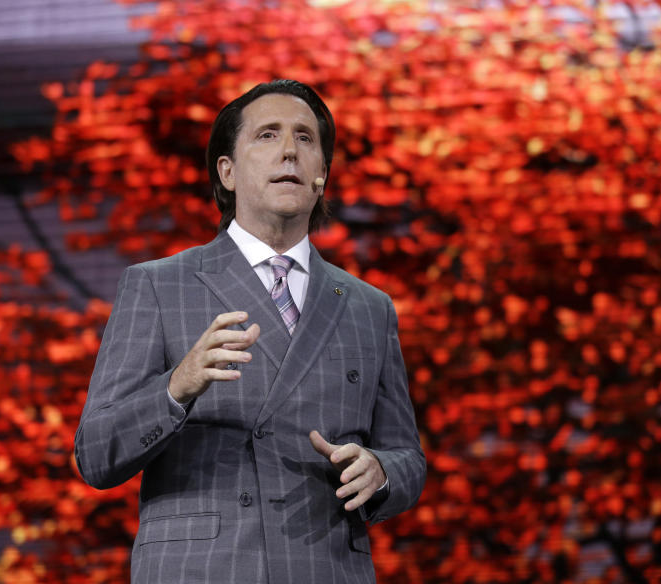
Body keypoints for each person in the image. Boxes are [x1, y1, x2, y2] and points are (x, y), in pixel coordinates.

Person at [74, 79, 425, 583]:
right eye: (268, 135)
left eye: (306, 139)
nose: (289, 151)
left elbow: (407, 455)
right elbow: (96, 454)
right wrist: (177, 387)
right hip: (202, 568)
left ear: (322, 175)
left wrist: (382, 470)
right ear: (228, 171)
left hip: (323, 566)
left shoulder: (370, 308)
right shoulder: (158, 285)